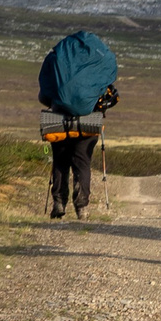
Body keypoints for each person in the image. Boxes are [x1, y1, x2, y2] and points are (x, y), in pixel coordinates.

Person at [49, 81, 117, 220]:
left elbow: (44, 95)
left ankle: (59, 204)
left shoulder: (58, 71)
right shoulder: (96, 72)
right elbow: (112, 97)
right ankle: (81, 208)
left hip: (59, 121)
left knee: (60, 163)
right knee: (82, 164)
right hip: (88, 122)